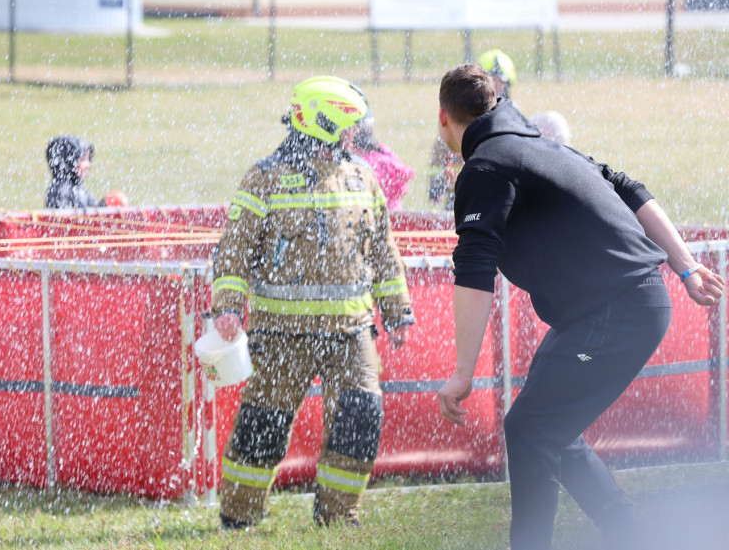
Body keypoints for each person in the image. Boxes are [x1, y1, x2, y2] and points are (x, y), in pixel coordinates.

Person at [433, 64, 724, 550]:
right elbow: (628, 187)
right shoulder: (540, 145)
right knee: (548, 427)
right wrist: (687, 267)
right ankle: (633, 535)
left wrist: (463, 371)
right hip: (621, 305)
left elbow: (476, 266)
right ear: (497, 103)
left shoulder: (485, 167)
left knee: (529, 429)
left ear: (443, 118)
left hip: (618, 311)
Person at [211, 76, 416, 528]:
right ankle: (239, 518)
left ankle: (338, 517)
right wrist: (227, 305)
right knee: (263, 425)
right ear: (322, 123)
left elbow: (383, 250)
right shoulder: (264, 178)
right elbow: (234, 250)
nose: (354, 136)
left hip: (351, 332)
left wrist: (398, 312)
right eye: (347, 126)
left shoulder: (362, 176)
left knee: (360, 418)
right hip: (281, 336)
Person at [428, 49, 517, 211]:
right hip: (459, 196)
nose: (497, 88)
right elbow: (441, 152)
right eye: (492, 82)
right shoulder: (458, 118)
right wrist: (436, 185)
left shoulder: (515, 121)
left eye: (501, 83)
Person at [346, 116, 414, 211]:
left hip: (376, 213)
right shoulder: (385, 155)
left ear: (355, 146)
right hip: (395, 210)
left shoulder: (365, 165)